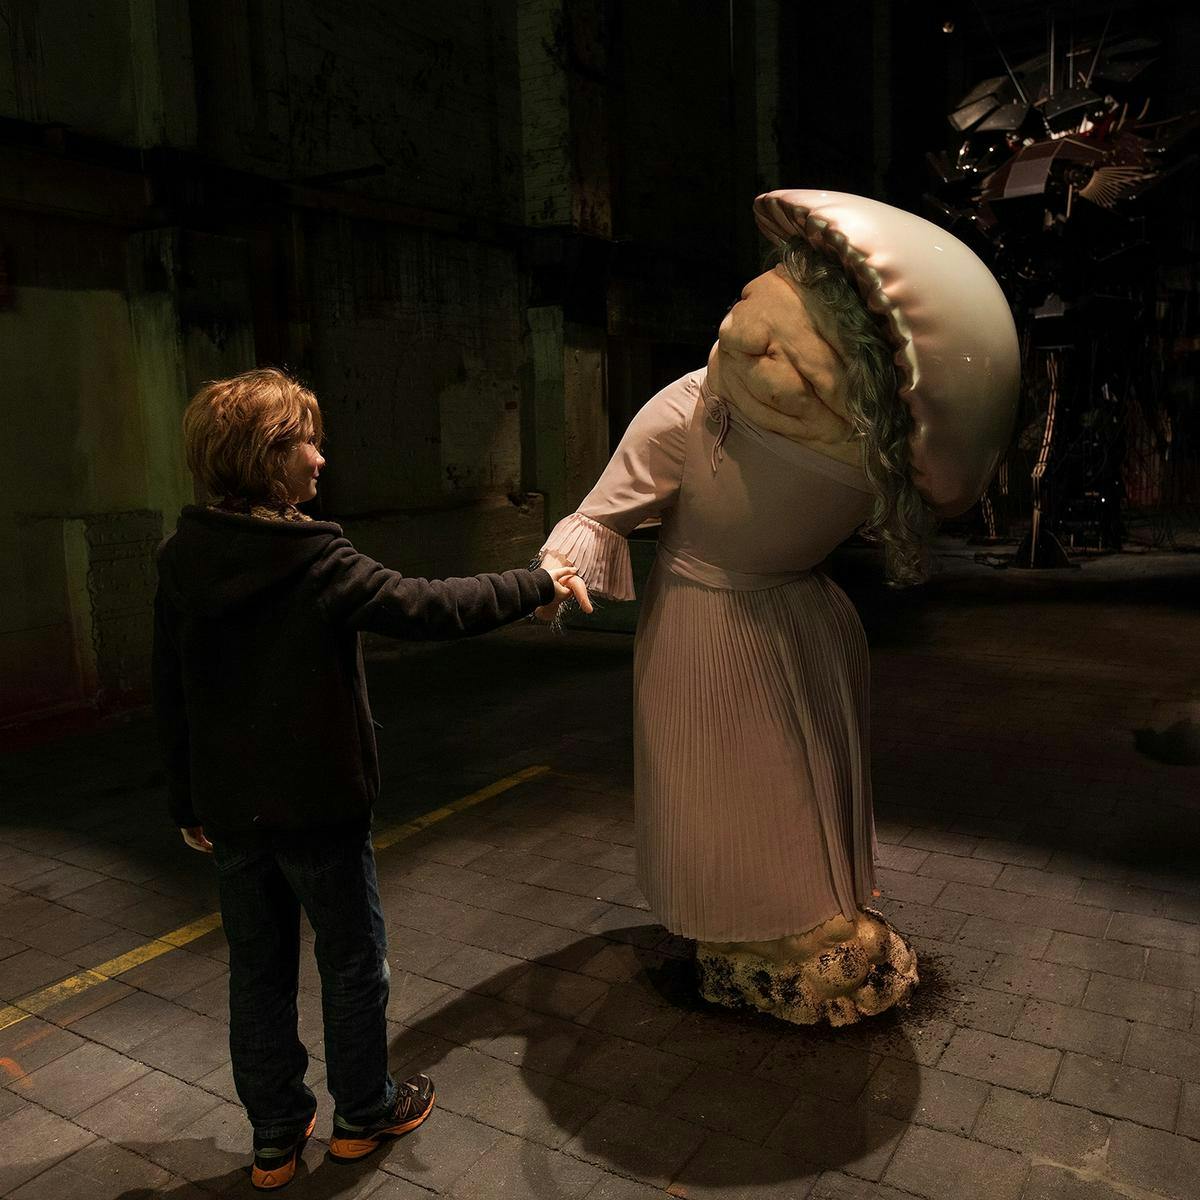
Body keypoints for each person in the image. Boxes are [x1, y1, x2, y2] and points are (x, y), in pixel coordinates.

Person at [539, 189, 1019, 1024]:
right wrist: (563, 559)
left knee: (800, 776)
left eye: (781, 357)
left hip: (799, 618)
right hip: (706, 616)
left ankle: (812, 911)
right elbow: (602, 508)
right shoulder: (694, 407)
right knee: (729, 781)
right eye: (739, 310)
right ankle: (746, 928)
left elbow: (943, 471)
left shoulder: (876, 441)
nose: (734, 335)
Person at [152, 367, 589, 1190]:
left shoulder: (183, 557)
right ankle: (362, 1115)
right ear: (266, 457)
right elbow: (425, 606)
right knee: (354, 963)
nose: (322, 458)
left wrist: (187, 800)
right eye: (306, 443)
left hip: (235, 814)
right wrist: (537, 583)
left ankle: (275, 1141)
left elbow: (169, 690)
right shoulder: (311, 556)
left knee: (258, 971)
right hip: (320, 807)